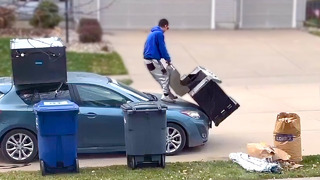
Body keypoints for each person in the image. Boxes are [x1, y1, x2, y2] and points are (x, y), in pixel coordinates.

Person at [143, 18, 177, 103]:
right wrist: (168, 59)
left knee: (164, 74)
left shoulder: (153, 33)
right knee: (164, 76)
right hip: (152, 60)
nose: (167, 30)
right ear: (165, 26)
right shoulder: (159, 34)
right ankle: (165, 96)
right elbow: (162, 48)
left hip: (149, 59)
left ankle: (168, 93)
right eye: (167, 28)